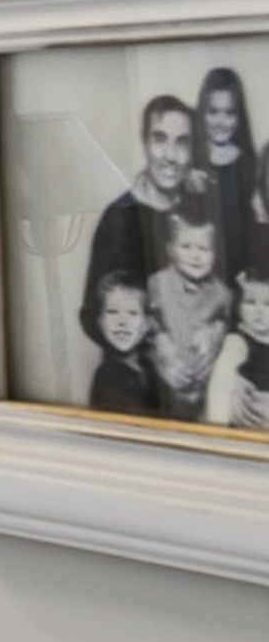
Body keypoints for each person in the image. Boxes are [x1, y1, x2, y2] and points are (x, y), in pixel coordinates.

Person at [83, 94, 206, 338]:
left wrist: (215, 329)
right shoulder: (119, 217)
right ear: (145, 143)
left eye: (182, 143)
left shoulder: (198, 210)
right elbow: (92, 315)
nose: (170, 156)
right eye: (160, 139)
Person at [148, 206, 234, 420]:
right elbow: (147, 322)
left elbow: (230, 328)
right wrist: (161, 343)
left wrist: (217, 330)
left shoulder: (222, 293)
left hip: (206, 385)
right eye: (186, 247)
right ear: (170, 250)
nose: (196, 256)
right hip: (166, 380)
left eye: (204, 249)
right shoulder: (158, 284)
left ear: (215, 253)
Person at [85, 274, 171, 419]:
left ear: (147, 323)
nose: (122, 321)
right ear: (100, 320)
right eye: (112, 312)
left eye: (133, 313)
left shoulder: (149, 367)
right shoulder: (108, 377)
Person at [202, 66, 259, 276]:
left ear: (239, 116)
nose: (220, 122)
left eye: (229, 113)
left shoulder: (251, 165)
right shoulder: (192, 161)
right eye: (213, 112)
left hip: (241, 273)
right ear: (202, 112)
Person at [207, 269, 269, 433]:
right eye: (250, 302)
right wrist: (218, 429)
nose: (259, 311)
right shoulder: (238, 342)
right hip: (248, 426)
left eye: (267, 304)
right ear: (238, 306)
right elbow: (220, 387)